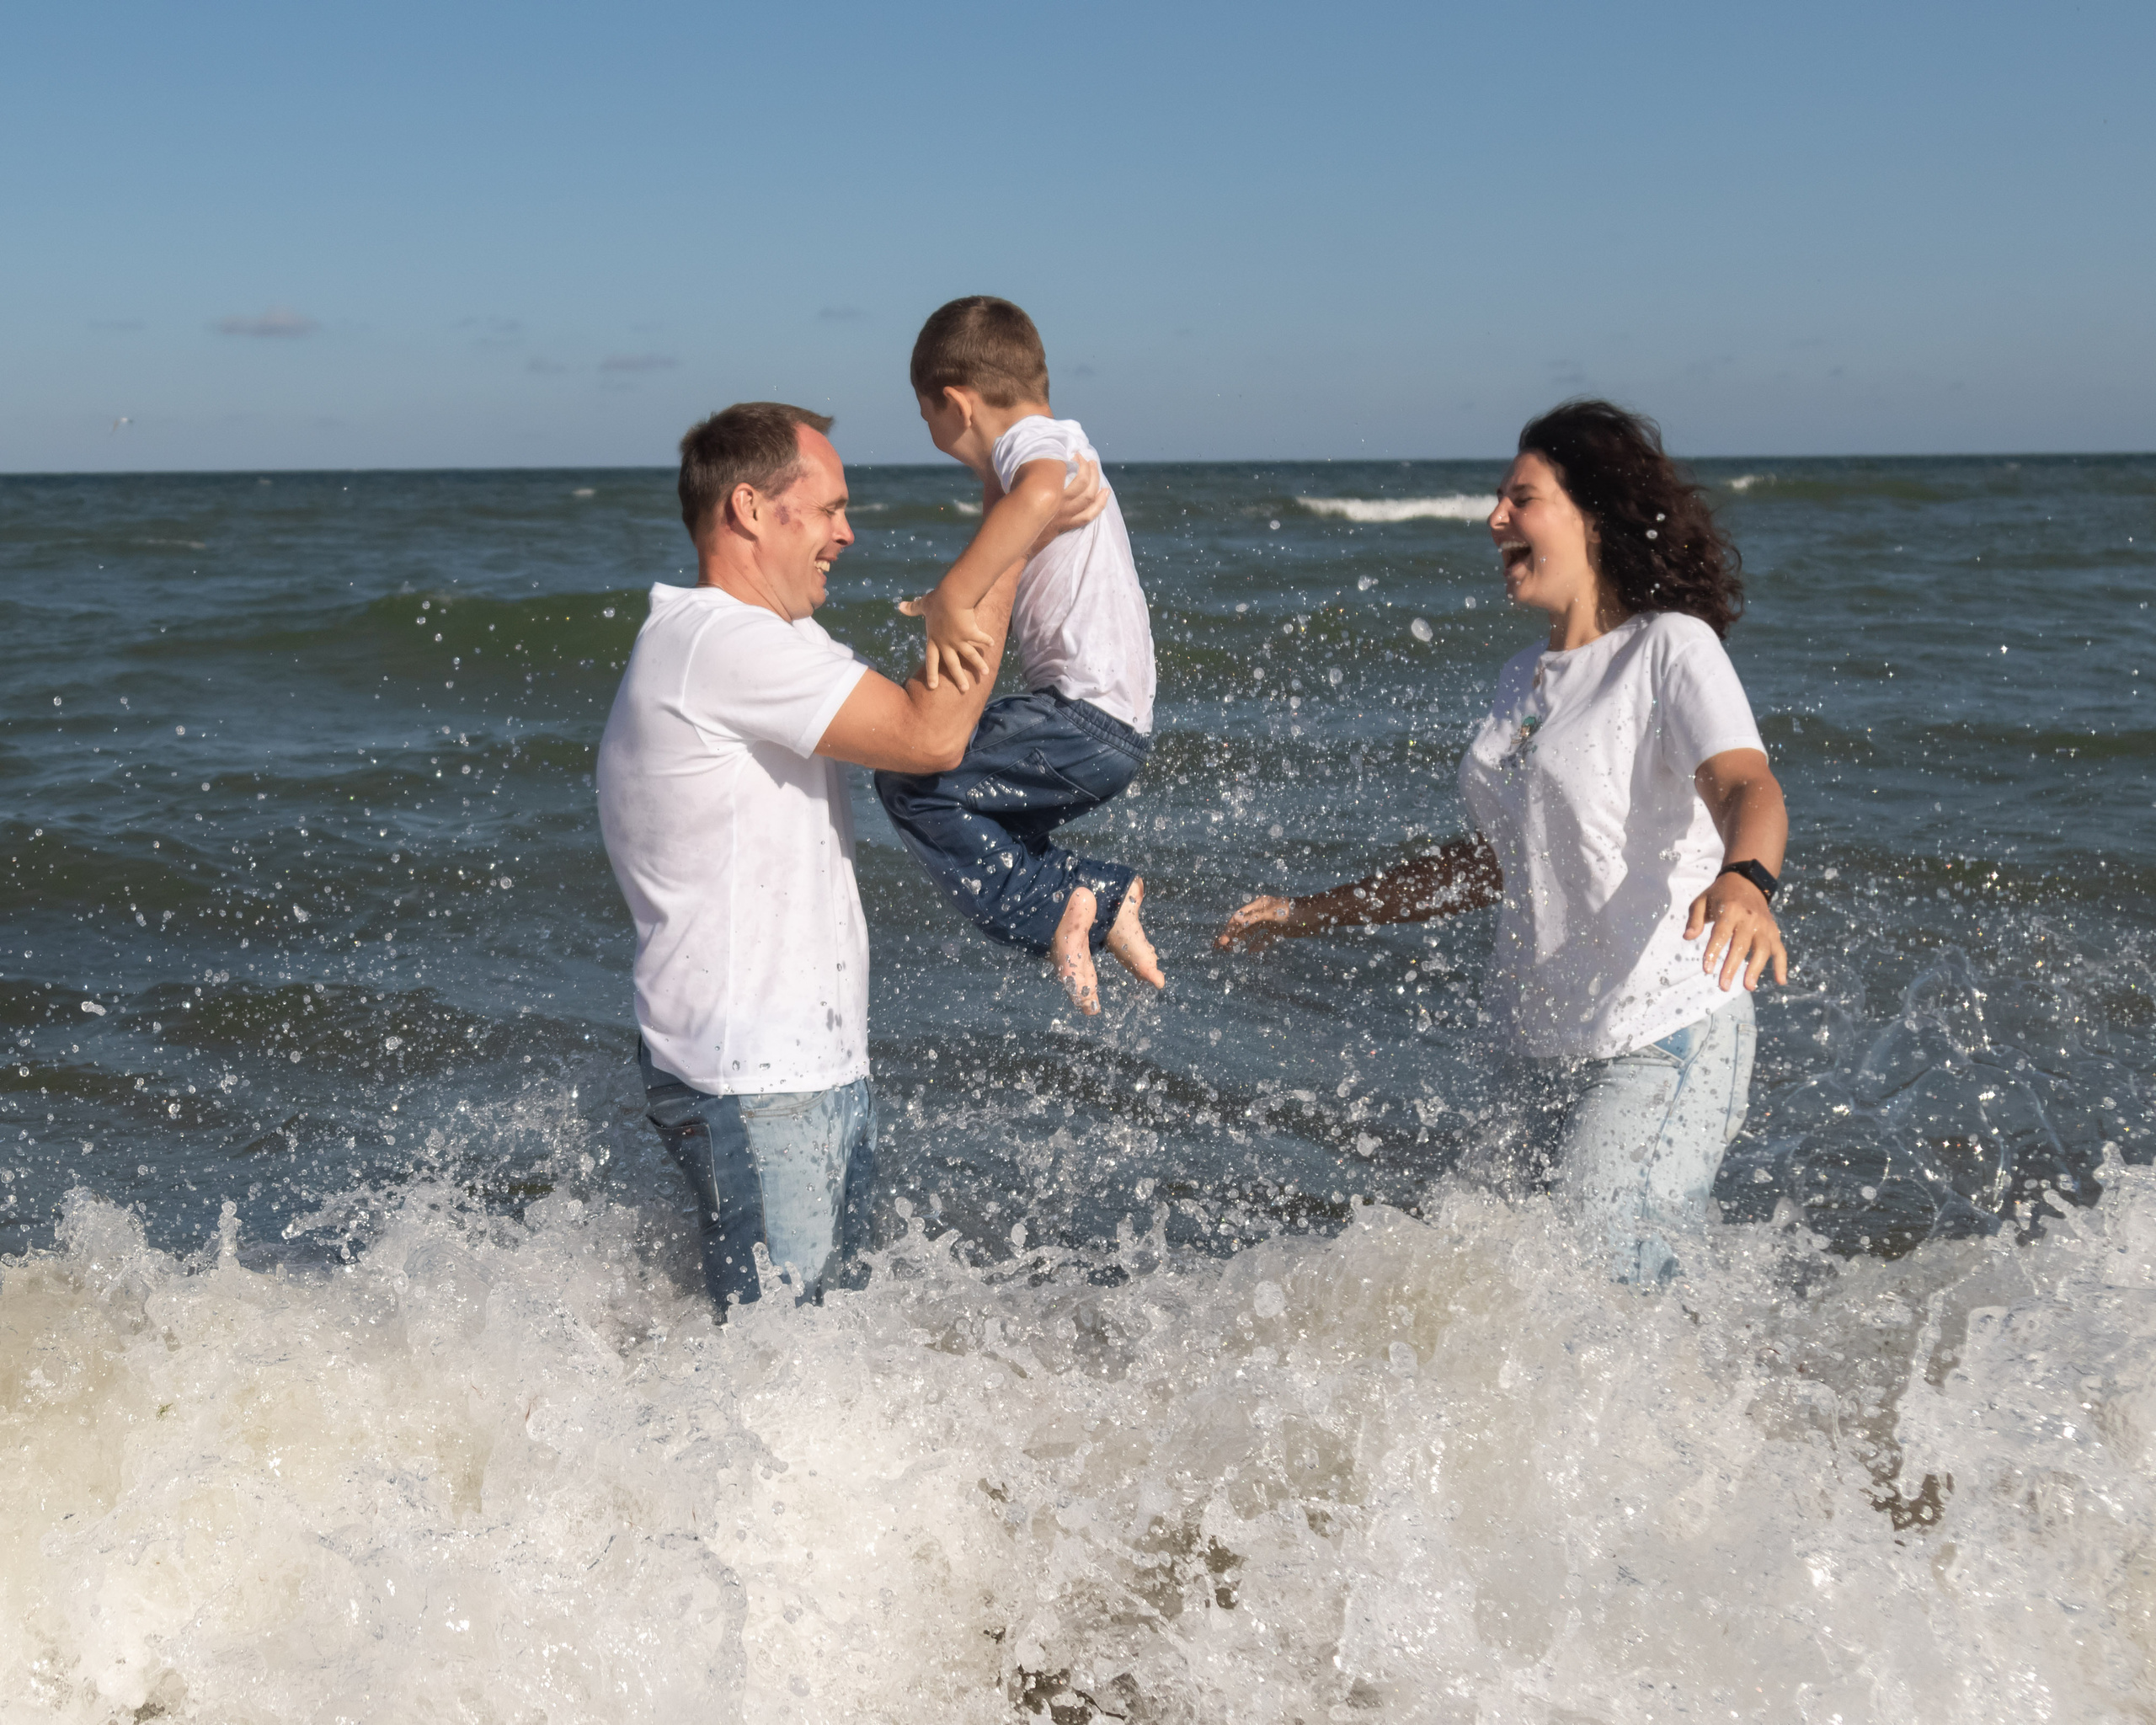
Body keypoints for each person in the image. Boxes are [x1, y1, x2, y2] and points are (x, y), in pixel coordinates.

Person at [1218, 399, 1789, 1284]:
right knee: (1517, 1284)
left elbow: (1745, 783)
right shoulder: (1518, 681)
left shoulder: (1669, 648)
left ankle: (1715, 1421)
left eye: (1519, 499)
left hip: (1665, 1024)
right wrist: (1311, 910)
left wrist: (1747, 877)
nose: (1493, 519)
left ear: (1590, 514)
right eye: (1496, 499)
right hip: (1539, 1042)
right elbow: (1493, 862)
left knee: (1609, 1267)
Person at [596, 401, 1103, 1315]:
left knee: (817, 1365)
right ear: (751, 508)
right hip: (754, 1079)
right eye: (828, 507)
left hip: (803, 1070)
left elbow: (923, 716)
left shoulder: (776, 640)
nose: (846, 531)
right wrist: (1015, 534)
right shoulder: (720, 640)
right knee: (778, 1376)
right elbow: (931, 733)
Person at [873, 296, 1163, 1017]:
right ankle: (1098, 895)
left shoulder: (1032, 445)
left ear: (955, 403)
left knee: (914, 785)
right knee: (979, 814)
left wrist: (952, 596)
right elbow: (1029, 502)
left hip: (1080, 718)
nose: (936, 438)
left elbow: (1037, 492)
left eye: (929, 421)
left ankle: (1063, 908)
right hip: (1111, 730)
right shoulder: (1061, 442)